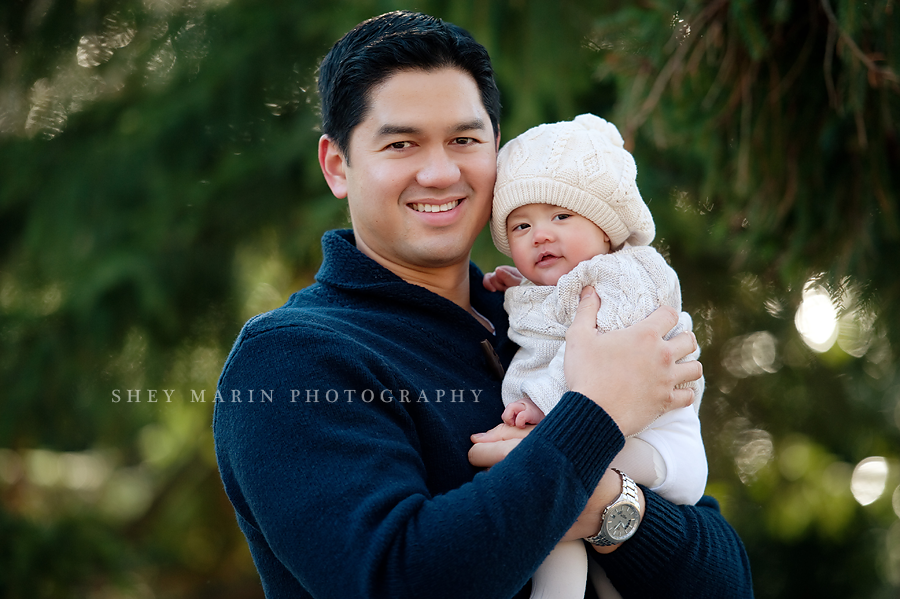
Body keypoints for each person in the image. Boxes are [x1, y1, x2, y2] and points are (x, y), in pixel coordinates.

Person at [213, 10, 753, 599]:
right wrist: (594, 417)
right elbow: (399, 580)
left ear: (497, 148)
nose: (441, 172)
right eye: (401, 143)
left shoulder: (550, 314)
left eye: (464, 140)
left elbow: (727, 581)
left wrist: (607, 508)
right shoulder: (290, 360)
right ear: (338, 167)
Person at [484, 114, 708, 598]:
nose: (540, 234)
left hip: (662, 447)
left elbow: (602, 360)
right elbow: (550, 327)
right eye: (521, 225)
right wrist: (516, 285)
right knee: (562, 510)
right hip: (600, 444)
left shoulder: (625, 276)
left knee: (556, 485)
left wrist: (543, 407)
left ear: (606, 230)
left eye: (561, 216)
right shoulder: (555, 286)